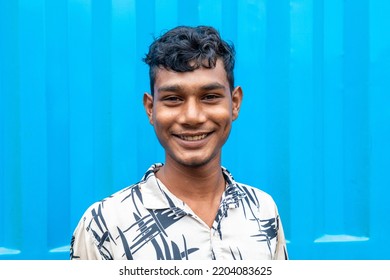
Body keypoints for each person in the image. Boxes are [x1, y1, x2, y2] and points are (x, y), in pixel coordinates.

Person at [70, 25, 288, 260]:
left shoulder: (262, 210)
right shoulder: (104, 225)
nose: (192, 117)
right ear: (150, 109)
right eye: (173, 99)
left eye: (210, 97)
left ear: (234, 103)